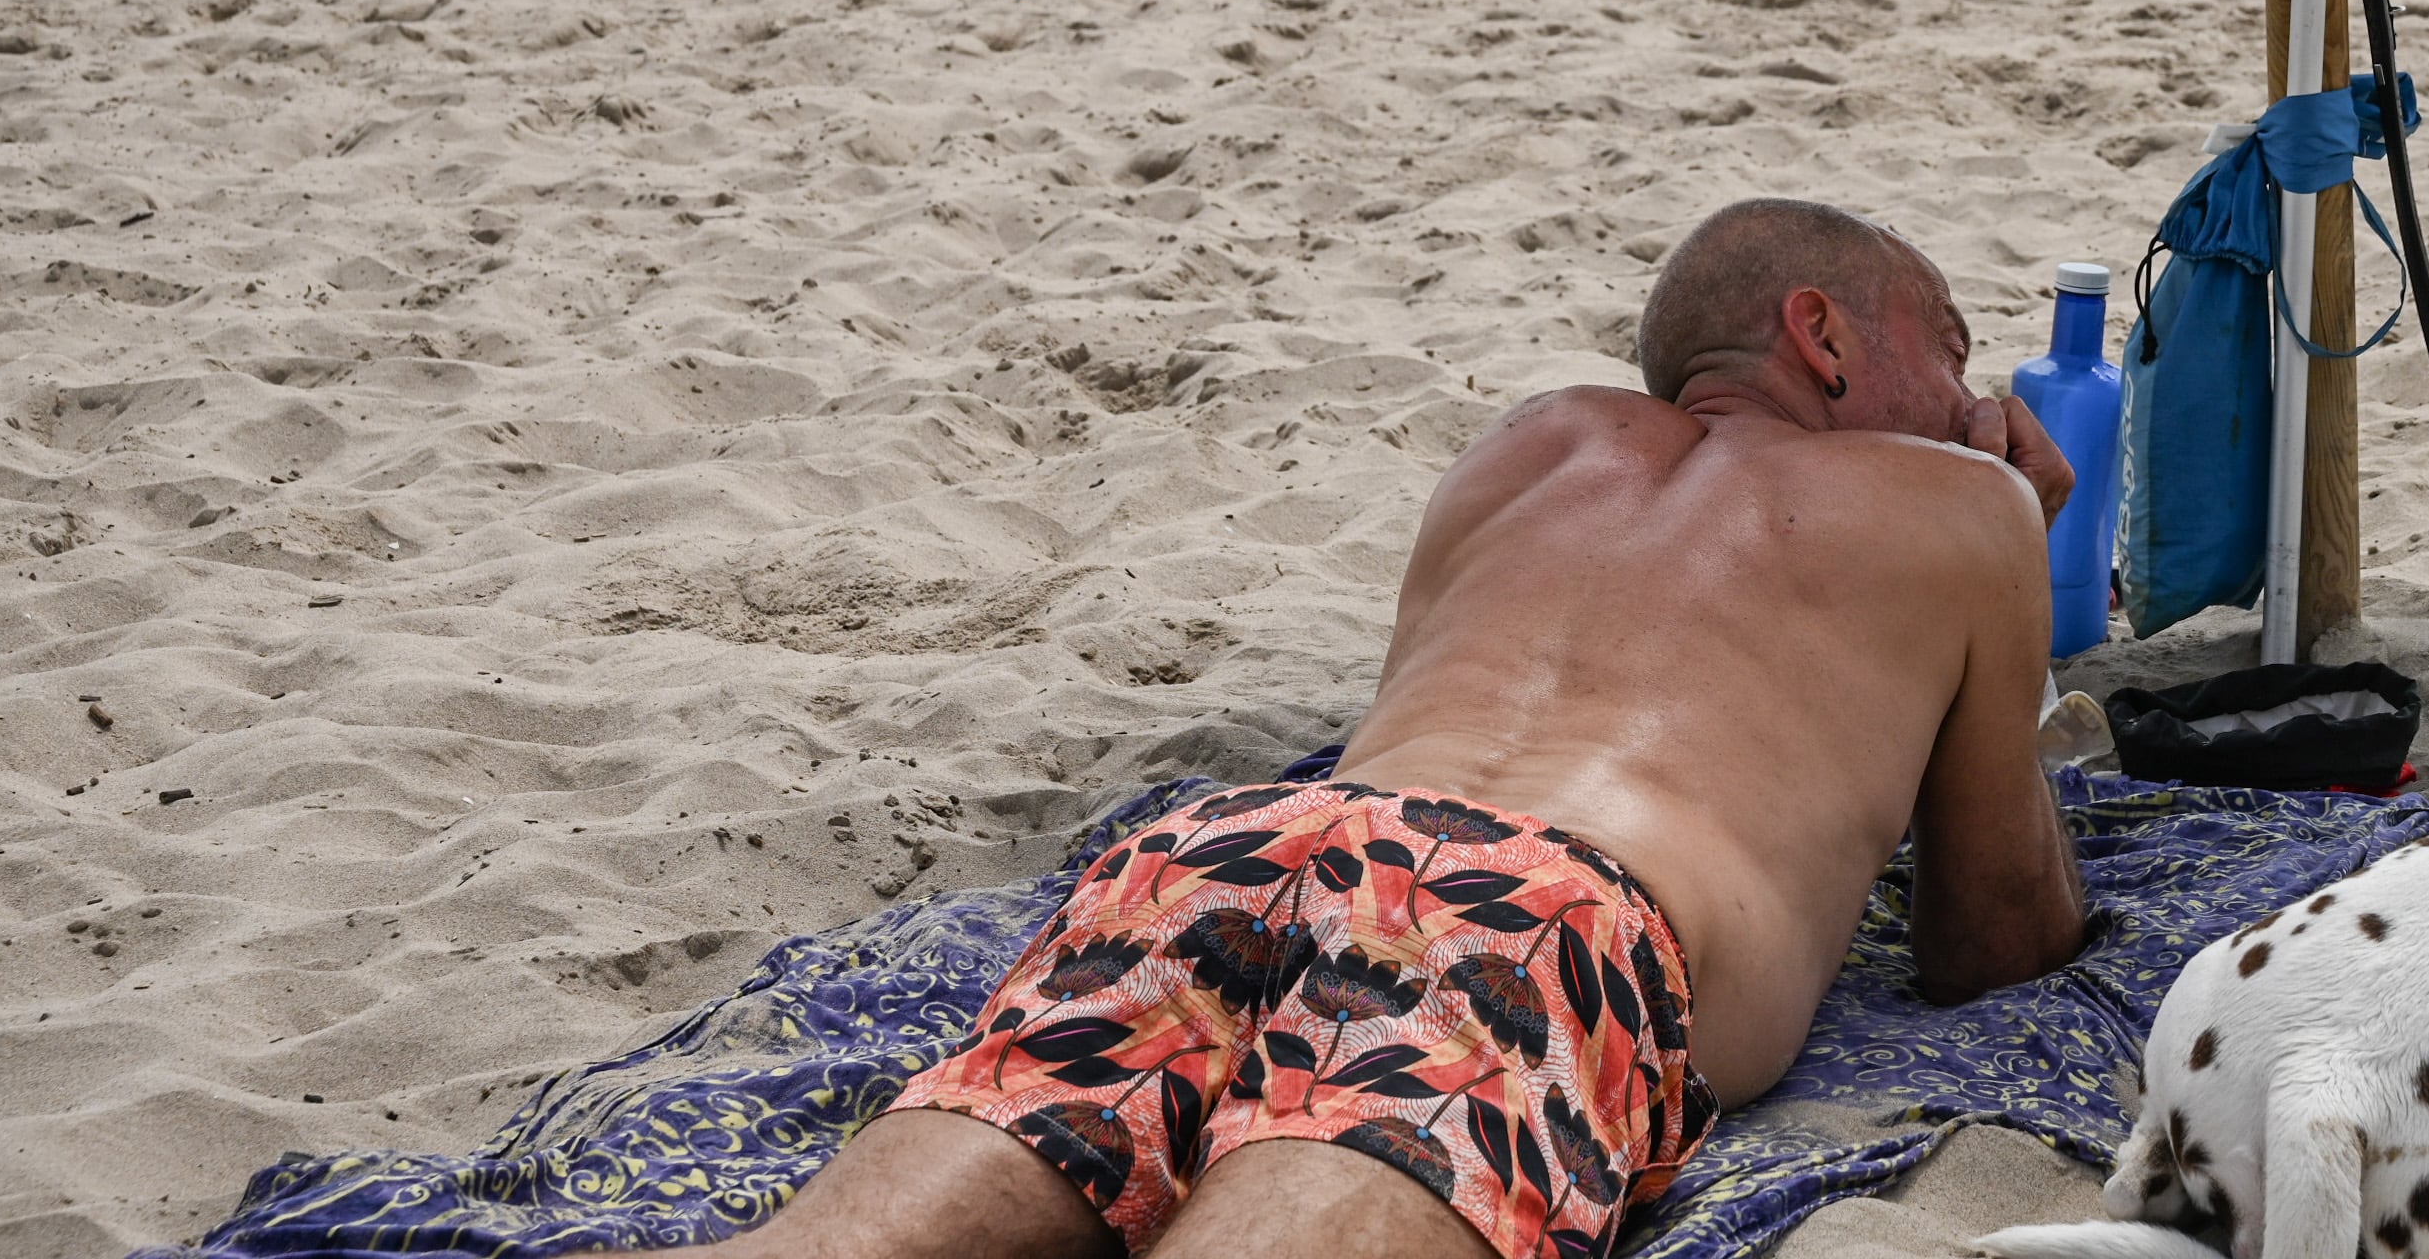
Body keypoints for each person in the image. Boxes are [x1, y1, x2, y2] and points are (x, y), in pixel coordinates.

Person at [710, 198, 2090, 1259]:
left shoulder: (1530, 445)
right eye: (1954, 348)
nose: (1976, 395)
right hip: (1538, 911)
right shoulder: (1963, 504)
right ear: (1824, 335)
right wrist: (2011, 518)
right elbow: (1996, 942)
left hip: (1236, 854)